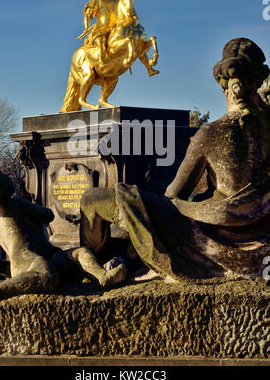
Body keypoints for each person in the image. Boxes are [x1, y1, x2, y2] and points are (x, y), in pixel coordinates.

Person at [79, 38, 270, 283]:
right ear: (258, 80)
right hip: (261, 236)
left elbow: (175, 195)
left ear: (224, 86)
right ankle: (122, 259)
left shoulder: (210, 134)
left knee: (92, 200)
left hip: (214, 233)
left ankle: (93, 271)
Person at [0, 167, 127, 304]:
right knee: (49, 275)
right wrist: (31, 210)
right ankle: (0, 289)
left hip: (49, 256)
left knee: (79, 253)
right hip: (28, 264)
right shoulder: (15, 204)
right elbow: (47, 215)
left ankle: (103, 276)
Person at [82, 0, 120, 67]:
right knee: (101, 46)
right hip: (101, 30)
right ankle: (101, 64)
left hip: (116, 29)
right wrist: (87, 27)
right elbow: (88, 13)